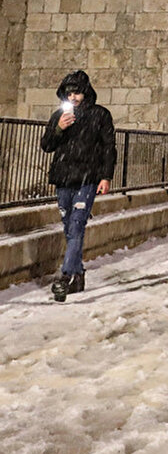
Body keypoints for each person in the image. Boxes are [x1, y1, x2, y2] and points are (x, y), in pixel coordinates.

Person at [39, 70, 117, 302]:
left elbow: (108, 147)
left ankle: (64, 277)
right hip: (63, 178)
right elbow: (46, 145)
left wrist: (106, 177)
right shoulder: (59, 115)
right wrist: (58, 129)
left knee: (77, 224)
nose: (73, 97)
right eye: (69, 93)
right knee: (69, 228)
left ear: (86, 93)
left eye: (78, 93)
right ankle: (79, 273)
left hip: (87, 178)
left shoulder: (100, 115)